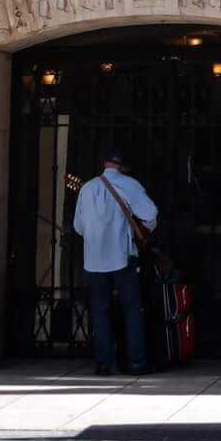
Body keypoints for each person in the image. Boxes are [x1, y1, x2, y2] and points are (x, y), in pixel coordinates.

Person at [73, 152, 157, 376]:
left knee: (100, 311)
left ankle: (103, 364)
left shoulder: (87, 189)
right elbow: (150, 213)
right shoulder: (129, 185)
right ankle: (136, 361)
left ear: (104, 164)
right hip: (122, 257)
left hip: (94, 261)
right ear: (123, 167)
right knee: (132, 310)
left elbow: (78, 227)